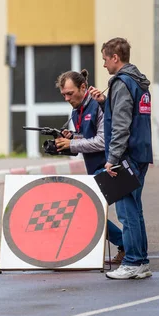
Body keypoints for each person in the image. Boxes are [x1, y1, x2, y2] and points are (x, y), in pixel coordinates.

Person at [89, 37, 153, 280]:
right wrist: (105, 103)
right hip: (140, 152)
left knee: (127, 212)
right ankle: (141, 262)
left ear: (115, 57)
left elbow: (122, 125)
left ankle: (133, 261)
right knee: (135, 210)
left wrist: (113, 157)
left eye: (105, 59)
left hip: (126, 156)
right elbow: (128, 114)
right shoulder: (138, 81)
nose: (104, 64)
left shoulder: (122, 82)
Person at [54, 69, 125, 265]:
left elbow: (103, 141)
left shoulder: (98, 105)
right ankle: (126, 246)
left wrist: (72, 144)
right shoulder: (76, 110)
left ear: (83, 87)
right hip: (94, 170)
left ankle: (128, 247)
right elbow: (85, 139)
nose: (67, 98)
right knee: (91, 211)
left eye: (70, 93)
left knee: (90, 210)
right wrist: (71, 138)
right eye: (64, 95)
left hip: (111, 168)